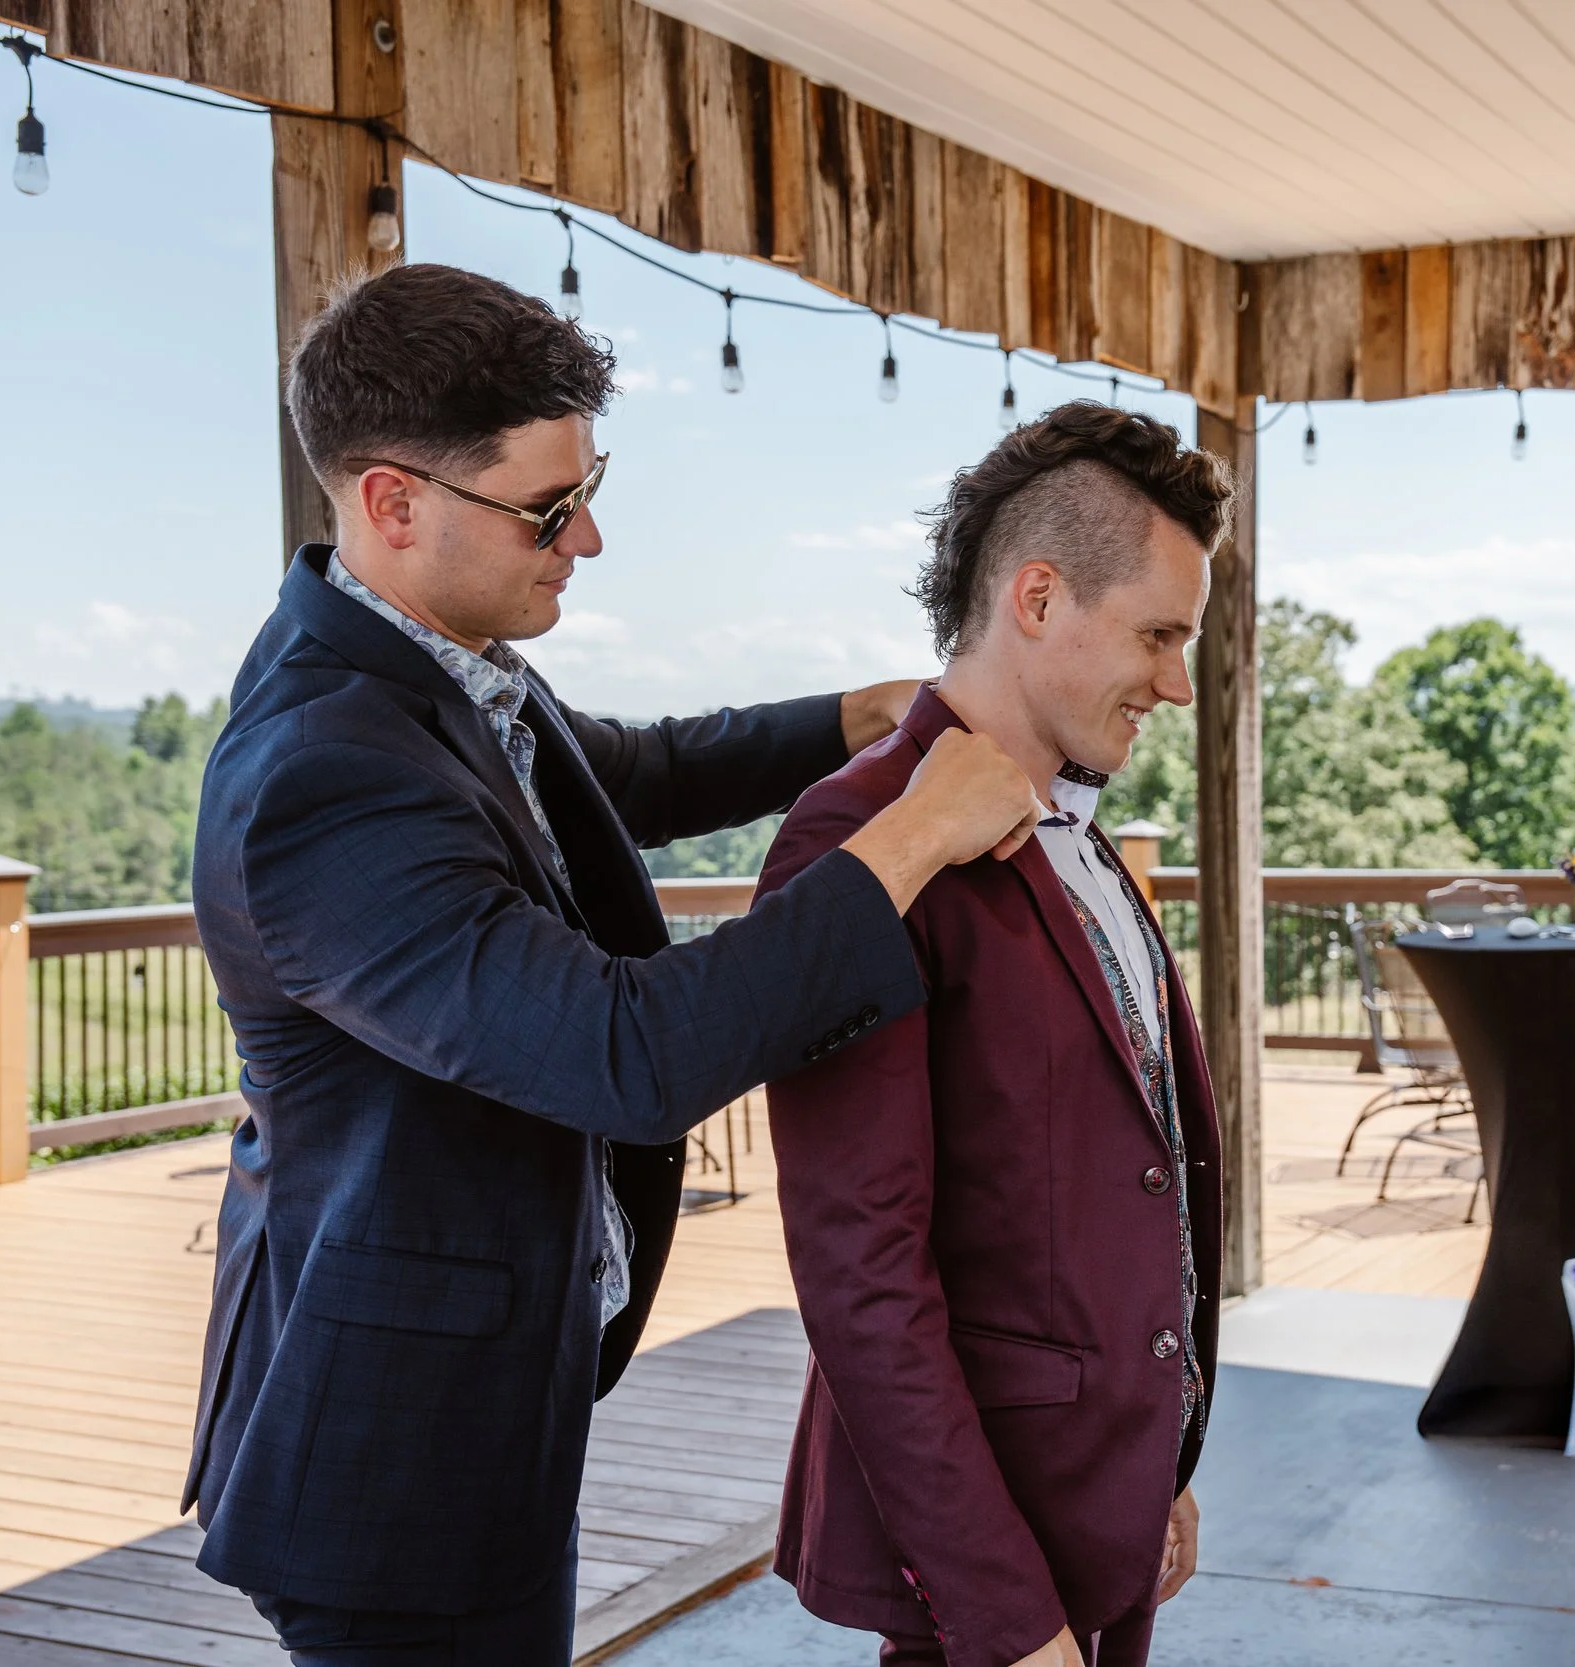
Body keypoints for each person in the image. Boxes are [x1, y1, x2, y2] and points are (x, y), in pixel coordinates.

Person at [183, 262, 1042, 1666]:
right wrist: (909, 839)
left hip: (494, 1384)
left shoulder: (440, 665)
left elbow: (624, 771)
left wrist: (852, 716)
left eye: (589, 485)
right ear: (394, 503)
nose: (587, 536)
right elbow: (628, 1056)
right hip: (394, 1446)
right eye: (545, 506)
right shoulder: (326, 773)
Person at [756, 402, 1233, 1667]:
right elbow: (861, 1276)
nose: (1178, 680)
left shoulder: (1083, 831)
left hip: (1100, 1507)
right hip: (982, 1578)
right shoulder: (852, 839)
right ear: (1036, 597)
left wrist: (1153, 1452)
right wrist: (1003, 1615)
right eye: (1158, 633)